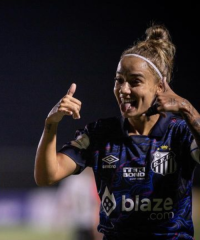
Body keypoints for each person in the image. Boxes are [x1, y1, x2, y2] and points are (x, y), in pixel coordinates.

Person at [34, 23, 200, 239]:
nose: (123, 89)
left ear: (160, 87)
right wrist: (51, 124)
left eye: (134, 81)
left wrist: (188, 110)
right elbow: (46, 176)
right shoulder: (100, 134)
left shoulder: (180, 133)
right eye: (119, 80)